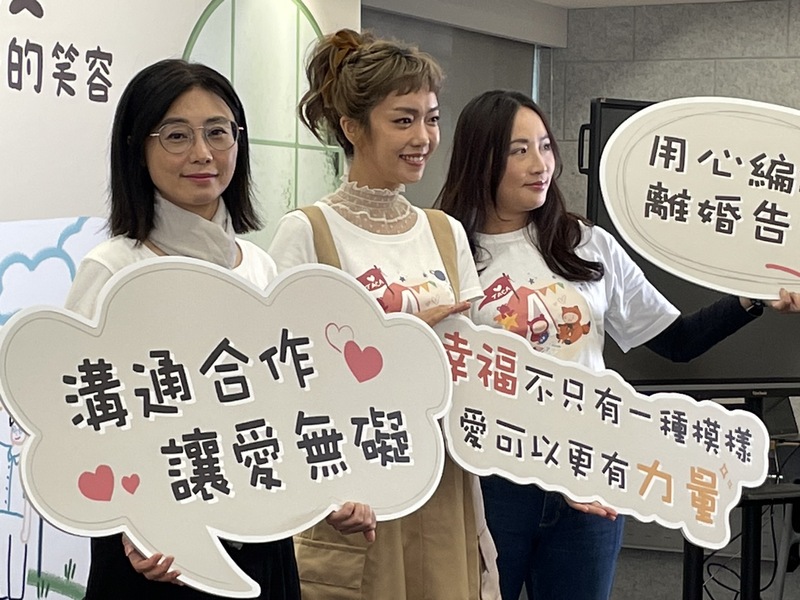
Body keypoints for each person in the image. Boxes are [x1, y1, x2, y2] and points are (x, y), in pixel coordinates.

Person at [436, 89, 800, 600]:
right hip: (491, 478)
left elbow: (678, 341)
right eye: (519, 150)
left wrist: (750, 297)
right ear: (481, 159)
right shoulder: (444, 251)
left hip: (591, 470)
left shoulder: (585, 243)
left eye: (545, 146)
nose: (541, 164)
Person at [64, 58, 374, 600]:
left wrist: (330, 490)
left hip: (260, 538)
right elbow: (78, 420)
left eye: (217, 132)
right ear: (137, 147)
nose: (202, 153)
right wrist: (129, 521)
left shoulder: (260, 268)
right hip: (155, 550)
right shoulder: (113, 269)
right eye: (176, 136)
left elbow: (285, 408)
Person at [267, 29, 500, 600]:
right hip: (356, 480)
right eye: (403, 120)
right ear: (352, 128)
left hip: (443, 474)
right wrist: (409, 338)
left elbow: (473, 362)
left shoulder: (444, 231)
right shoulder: (308, 231)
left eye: (431, 119)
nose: (424, 137)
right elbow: (283, 374)